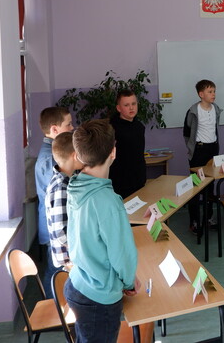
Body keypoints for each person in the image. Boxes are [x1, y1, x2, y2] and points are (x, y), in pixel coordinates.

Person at [64, 120, 140, 343]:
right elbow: (122, 255)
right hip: (98, 297)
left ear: (79, 155)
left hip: (77, 283)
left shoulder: (76, 185)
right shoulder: (108, 201)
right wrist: (129, 282)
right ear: (113, 152)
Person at [35, 107, 73, 267]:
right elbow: (58, 196)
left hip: (58, 227)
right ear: (54, 129)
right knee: (56, 274)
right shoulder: (50, 160)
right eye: (68, 124)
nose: (72, 128)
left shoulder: (54, 153)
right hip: (55, 231)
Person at [183, 79, 221, 234]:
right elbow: (187, 133)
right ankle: (194, 221)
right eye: (210, 91)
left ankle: (208, 218)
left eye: (214, 91)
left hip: (212, 150)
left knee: (210, 186)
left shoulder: (216, 109)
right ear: (201, 94)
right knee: (196, 187)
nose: (213, 94)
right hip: (198, 151)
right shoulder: (193, 111)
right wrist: (192, 149)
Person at [44, 131, 79, 296]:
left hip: (69, 258)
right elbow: (62, 233)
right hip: (67, 260)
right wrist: (83, 248)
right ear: (75, 155)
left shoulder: (68, 180)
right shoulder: (60, 188)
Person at [109, 89, 146, 198]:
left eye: (134, 104)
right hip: (120, 181)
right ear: (118, 108)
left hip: (138, 179)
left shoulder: (139, 126)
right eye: (126, 105)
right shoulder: (111, 128)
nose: (131, 108)